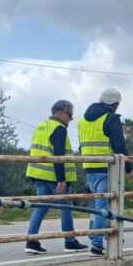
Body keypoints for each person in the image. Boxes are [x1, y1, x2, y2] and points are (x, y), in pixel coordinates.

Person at [23, 100, 88, 254]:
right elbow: (58, 156)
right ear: (60, 113)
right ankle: (70, 241)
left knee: (40, 207)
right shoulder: (59, 129)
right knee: (66, 208)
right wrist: (62, 180)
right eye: (69, 114)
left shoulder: (41, 126)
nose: (71, 119)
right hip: (54, 176)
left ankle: (31, 242)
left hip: (38, 174)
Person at [79, 88, 133, 256]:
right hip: (107, 168)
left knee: (99, 205)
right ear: (115, 104)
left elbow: (81, 146)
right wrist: (129, 168)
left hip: (89, 168)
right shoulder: (111, 118)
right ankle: (96, 243)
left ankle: (112, 234)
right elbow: (119, 146)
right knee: (105, 205)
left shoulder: (83, 121)